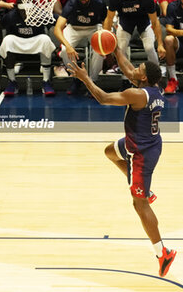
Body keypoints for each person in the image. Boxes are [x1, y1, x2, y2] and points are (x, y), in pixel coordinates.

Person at [67, 47, 177, 278]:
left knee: (139, 204)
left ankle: (162, 252)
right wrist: (115, 48)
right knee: (110, 152)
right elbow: (128, 69)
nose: (134, 69)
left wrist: (85, 78)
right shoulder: (154, 89)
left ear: (144, 78)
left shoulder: (136, 94)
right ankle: (145, 189)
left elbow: (104, 98)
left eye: (139, 69)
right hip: (140, 142)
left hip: (141, 154)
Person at [103, 0, 165, 71]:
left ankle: (155, 74)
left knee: (149, 47)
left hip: (143, 20)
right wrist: (105, 37)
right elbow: (109, 18)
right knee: (121, 49)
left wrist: (160, 44)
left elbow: (155, 21)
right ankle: (126, 77)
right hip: (125, 20)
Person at [54, 0, 107, 95]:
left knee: (100, 51)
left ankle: (92, 82)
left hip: (93, 28)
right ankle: (76, 79)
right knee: (64, 50)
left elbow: (105, 22)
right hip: (74, 28)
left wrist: (106, 39)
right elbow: (57, 29)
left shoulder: (98, 2)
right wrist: (68, 47)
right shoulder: (71, 3)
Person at [0, 1, 56, 96]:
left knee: (45, 39)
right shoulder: (11, 16)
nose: (25, 13)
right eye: (22, 11)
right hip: (18, 40)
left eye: (27, 11)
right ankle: (12, 81)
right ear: (18, 10)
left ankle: (46, 81)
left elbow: (56, 20)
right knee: (7, 40)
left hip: (35, 40)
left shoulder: (39, 13)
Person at [163, 0, 183, 94]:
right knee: (168, 39)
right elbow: (168, 29)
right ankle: (173, 79)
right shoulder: (173, 6)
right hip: (179, 43)